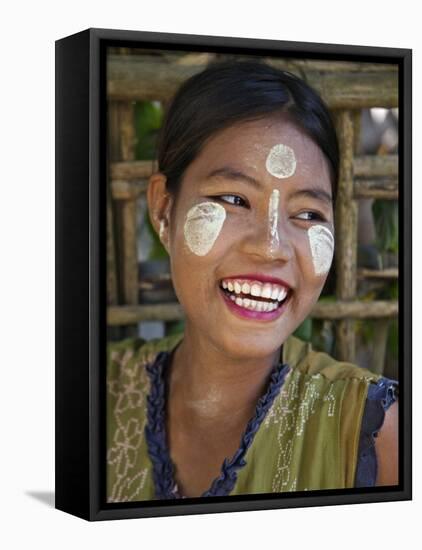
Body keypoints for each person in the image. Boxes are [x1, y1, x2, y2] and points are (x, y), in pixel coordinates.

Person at [106, 59, 399, 502]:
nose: (271, 247)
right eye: (234, 199)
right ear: (164, 210)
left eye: (307, 214)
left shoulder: (376, 435)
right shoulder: (88, 393)